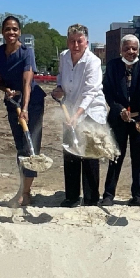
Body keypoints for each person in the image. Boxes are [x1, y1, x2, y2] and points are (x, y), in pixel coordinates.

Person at [52, 24, 108, 207]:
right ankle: (72, 196)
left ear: (87, 42)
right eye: (72, 41)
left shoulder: (93, 61)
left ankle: (91, 198)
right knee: (70, 152)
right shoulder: (63, 56)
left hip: (91, 111)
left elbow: (90, 92)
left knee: (89, 154)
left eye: (79, 41)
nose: (75, 45)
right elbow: (60, 76)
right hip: (70, 108)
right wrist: (58, 89)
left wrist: (77, 115)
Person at [0, 15, 46, 207]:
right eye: (8, 29)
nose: (11, 33)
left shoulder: (26, 52)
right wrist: (5, 89)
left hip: (32, 103)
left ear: (20, 32)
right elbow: (0, 80)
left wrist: (24, 108)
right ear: (2, 32)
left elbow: (27, 82)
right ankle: (23, 188)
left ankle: (25, 192)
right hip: (12, 103)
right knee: (20, 148)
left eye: (15, 29)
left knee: (31, 146)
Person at [101, 34, 140, 206]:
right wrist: (119, 110)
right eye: (127, 48)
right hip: (118, 119)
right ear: (121, 50)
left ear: (138, 50)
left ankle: (137, 195)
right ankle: (109, 195)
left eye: (134, 48)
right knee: (115, 156)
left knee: (138, 159)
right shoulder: (112, 66)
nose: (130, 51)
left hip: (139, 120)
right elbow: (108, 92)